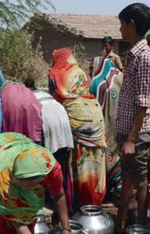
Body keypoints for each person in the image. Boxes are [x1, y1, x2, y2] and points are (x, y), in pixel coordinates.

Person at [115, 3, 150, 234]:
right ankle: (121, 222)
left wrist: (131, 139)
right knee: (128, 178)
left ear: (132, 25)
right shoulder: (132, 54)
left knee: (140, 180)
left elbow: (143, 103)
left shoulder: (144, 57)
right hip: (128, 131)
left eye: (122, 24)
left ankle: (140, 230)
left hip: (136, 133)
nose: (120, 29)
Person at [49, 48, 106, 209]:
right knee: (95, 158)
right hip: (95, 114)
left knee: (80, 160)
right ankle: (95, 200)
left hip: (77, 117)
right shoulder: (80, 72)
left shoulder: (54, 74)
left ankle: (81, 201)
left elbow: (55, 101)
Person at [26, 78, 74, 212]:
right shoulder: (44, 93)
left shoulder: (30, 97)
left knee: (48, 160)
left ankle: (50, 199)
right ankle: (60, 200)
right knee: (61, 160)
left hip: (48, 120)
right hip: (62, 117)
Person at [90, 55, 123, 201]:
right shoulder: (119, 77)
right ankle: (118, 190)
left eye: (92, 67)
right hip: (119, 127)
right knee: (116, 153)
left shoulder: (96, 83)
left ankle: (102, 190)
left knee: (103, 155)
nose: (91, 70)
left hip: (102, 128)